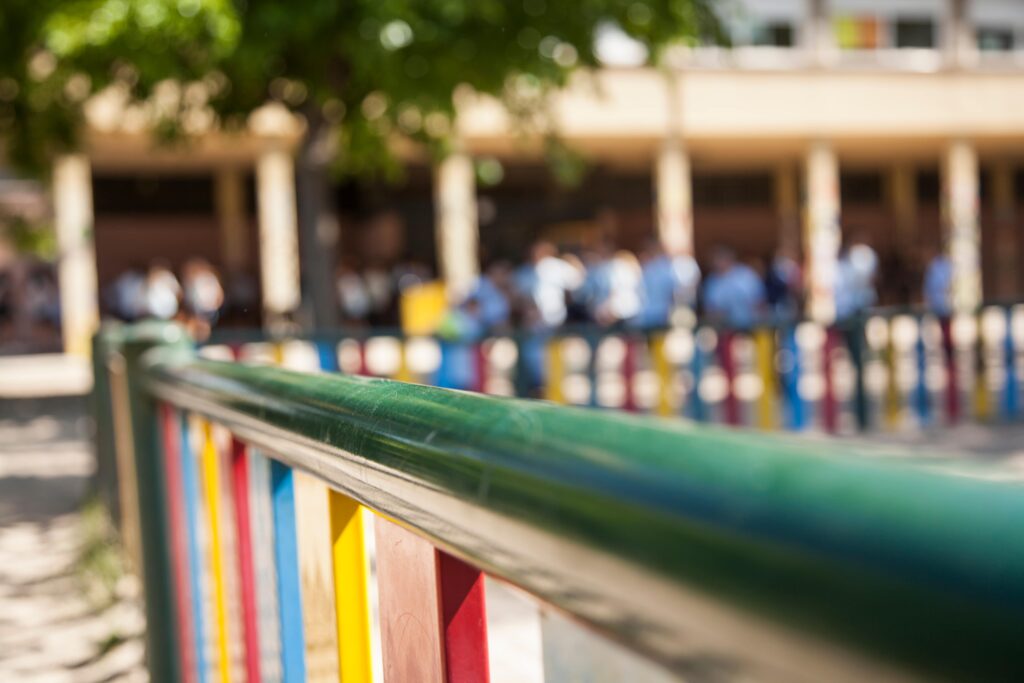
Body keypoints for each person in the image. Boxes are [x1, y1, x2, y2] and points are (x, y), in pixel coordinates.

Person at [634, 240, 701, 329]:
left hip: (667, 314)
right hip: (648, 314)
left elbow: (680, 291)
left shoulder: (671, 266)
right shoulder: (648, 267)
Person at [701, 246, 766, 330]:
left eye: (721, 258)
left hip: (751, 327)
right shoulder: (711, 281)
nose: (717, 262)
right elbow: (709, 310)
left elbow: (760, 302)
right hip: (724, 330)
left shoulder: (746, 275)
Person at [181, 258, 224, 339]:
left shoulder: (211, 279)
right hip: (196, 310)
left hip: (209, 309)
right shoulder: (194, 280)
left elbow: (219, 294)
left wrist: (215, 305)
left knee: (202, 329)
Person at [764, 245, 803, 321]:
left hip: (789, 305)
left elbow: (796, 288)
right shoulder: (772, 273)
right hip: (774, 306)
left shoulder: (792, 269)